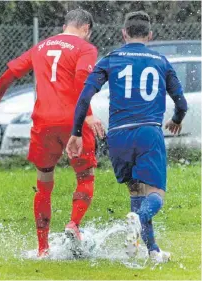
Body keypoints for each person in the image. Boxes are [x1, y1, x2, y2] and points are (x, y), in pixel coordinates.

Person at [66, 11, 187, 263]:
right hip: (148, 132)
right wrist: (176, 119)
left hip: (118, 136)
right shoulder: (161, 61)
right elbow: (181, 102)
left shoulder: (111, 58)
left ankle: (152, 250)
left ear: (123, 34)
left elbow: (85, 96)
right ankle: (139, 222)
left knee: (136, 193)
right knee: (155, 193)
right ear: (150, 35)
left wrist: (77, 132)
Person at [0, 9, 104, 258]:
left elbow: (8, 76)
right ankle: (73, 224)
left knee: (44, 184)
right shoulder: (85, 47)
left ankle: (42, 249)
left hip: (44, 123)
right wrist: (88, 114)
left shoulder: (41, 47)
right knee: (85, 175)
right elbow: (83, 78)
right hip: (73, 121)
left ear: (64, 25)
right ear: (87, 29)